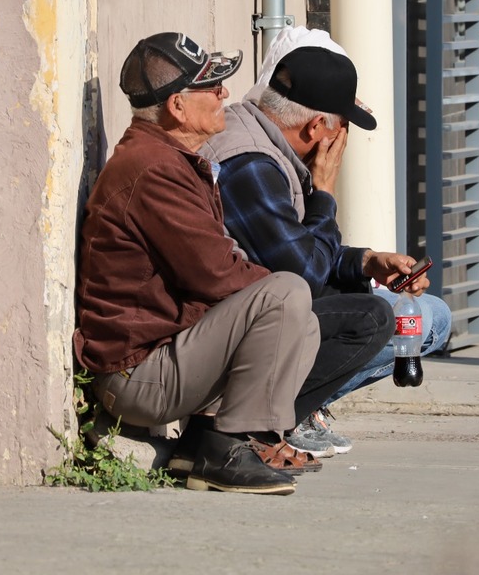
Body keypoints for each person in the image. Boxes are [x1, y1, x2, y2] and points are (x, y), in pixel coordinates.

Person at [73, 31, 391, 495]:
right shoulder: (154, 169)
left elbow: (223, 272)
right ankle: (224, 448)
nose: (225, 93)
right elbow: (221, 275)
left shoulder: (169, 159)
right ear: (178, 106)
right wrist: (283, 289)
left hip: (164, 361)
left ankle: (205, 440)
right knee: (287, 294)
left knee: (293, 305)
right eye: (211, 86)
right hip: (136, 378)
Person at [204, 26, 453, 457]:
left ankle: (287, 409)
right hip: (232, 331)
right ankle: (266, 422)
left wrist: (368, 263)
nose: (339, 143)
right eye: (339, 130)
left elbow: (297, 250)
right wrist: (325, 192)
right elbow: (304, 274)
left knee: (429, 315)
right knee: (378, 318)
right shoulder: (250, 163)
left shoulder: (265, 141)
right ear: (317, 125)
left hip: (258, 310)